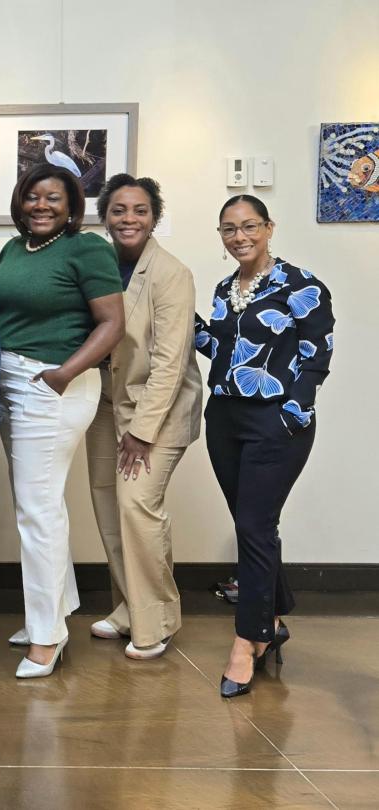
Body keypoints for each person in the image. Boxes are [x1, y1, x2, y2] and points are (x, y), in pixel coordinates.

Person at [0, 164, 125, 679]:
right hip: (11, 384)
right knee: (39, 504)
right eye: (32, 197)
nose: (40, 206)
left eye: (53, 198)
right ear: (19, 203)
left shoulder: (88, 249)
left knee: (38, 510)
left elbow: (113, 324)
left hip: (53, 385)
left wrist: (64, 373)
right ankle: (52, 613)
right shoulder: (14, 250)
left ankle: (47, 637)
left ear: (71, 207)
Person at [195, 195, 334, 697]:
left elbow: (316, 356)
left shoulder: (301, 285)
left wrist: (290, 414)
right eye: (229, 229)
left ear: (269, 228)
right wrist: (181, 320)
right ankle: (273, 617)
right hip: (224, 419)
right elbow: (220, 348)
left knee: (254, 526)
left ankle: (246, 641)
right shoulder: (224, 288)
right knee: (252, 525)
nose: (240, 237)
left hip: (274, 422)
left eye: (249, 226)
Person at [83, 175, 202, 661]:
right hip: (106, 403)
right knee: (109, 509)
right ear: (104, 217)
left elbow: (170, 363)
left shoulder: (171, 273)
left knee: (137, 508)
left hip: (158, 410)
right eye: (118, 210)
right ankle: (130, 606)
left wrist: (142, 432)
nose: (128, 219)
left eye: (139, 210)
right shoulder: (100, 265)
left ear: (154, 217)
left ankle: (158, 621)